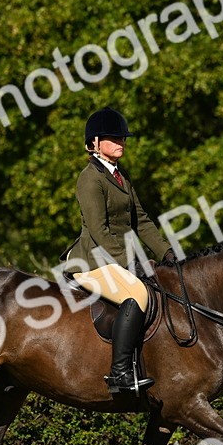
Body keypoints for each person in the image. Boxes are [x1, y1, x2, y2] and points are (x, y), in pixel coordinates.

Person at [62, 107, 175, 394]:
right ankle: (120, 374)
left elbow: (143, 221)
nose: (121, 142)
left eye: (123, 138)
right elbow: (99, 232)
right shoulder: (90, 179)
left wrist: (167, 253)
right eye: (114, 138)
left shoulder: (120, 177)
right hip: (90, 262)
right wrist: (131, 263)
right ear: (95, 143)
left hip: (115, 259)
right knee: (136, 293)